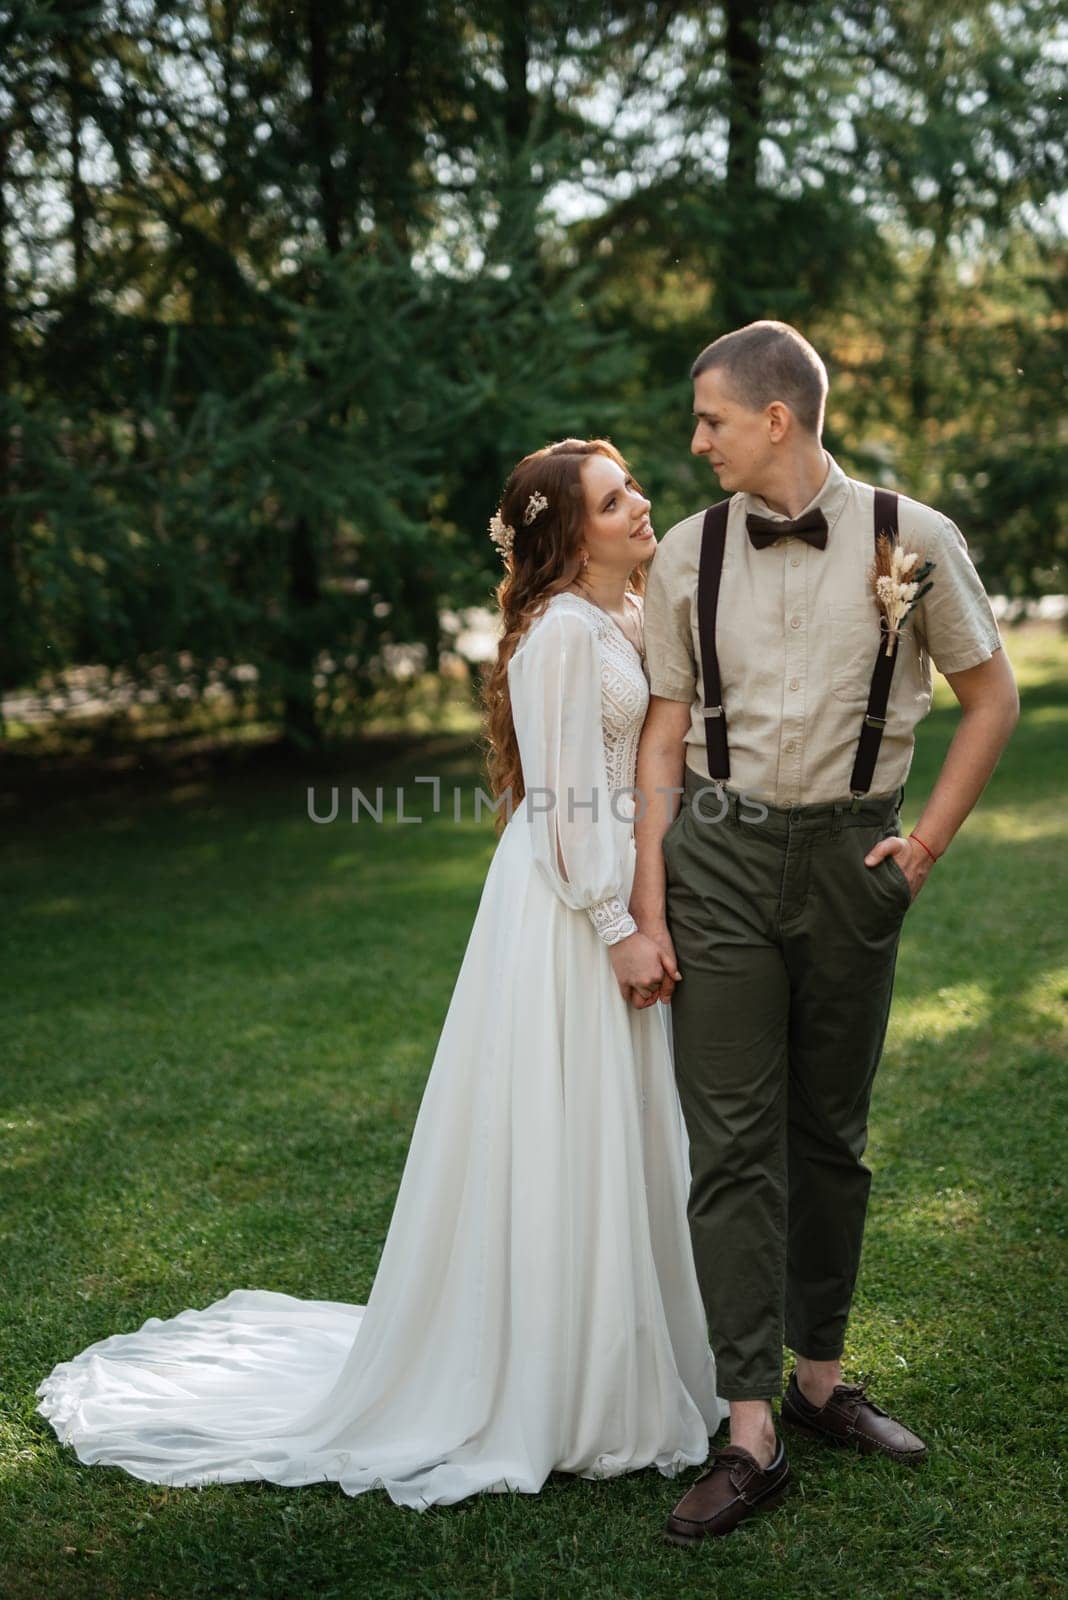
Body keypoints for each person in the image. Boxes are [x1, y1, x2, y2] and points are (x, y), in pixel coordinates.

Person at [36, 437, 729, 1511]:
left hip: (609, 895)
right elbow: (557, 804)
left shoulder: (628, 616)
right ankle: (554, 1379)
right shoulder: (557, 638)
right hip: (564, 914)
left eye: (632, 485)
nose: (639, 504)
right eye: (612, 499)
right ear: (565, 535)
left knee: (615, 1125)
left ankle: (627, 1354)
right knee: (562, 1126)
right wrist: (616, 922)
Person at [629, 320, 1020, 1545]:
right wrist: (649, 898)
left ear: (777, 418)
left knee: (831, 1134)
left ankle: (818, 1380)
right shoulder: (686, 554)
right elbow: (658, 736)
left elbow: (992, 692)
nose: (695, 443)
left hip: (857, 856)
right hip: (722, 856)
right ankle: (750, 1424)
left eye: (711, 420)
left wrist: (929, 842)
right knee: (733, 1138)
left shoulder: (917, 537)